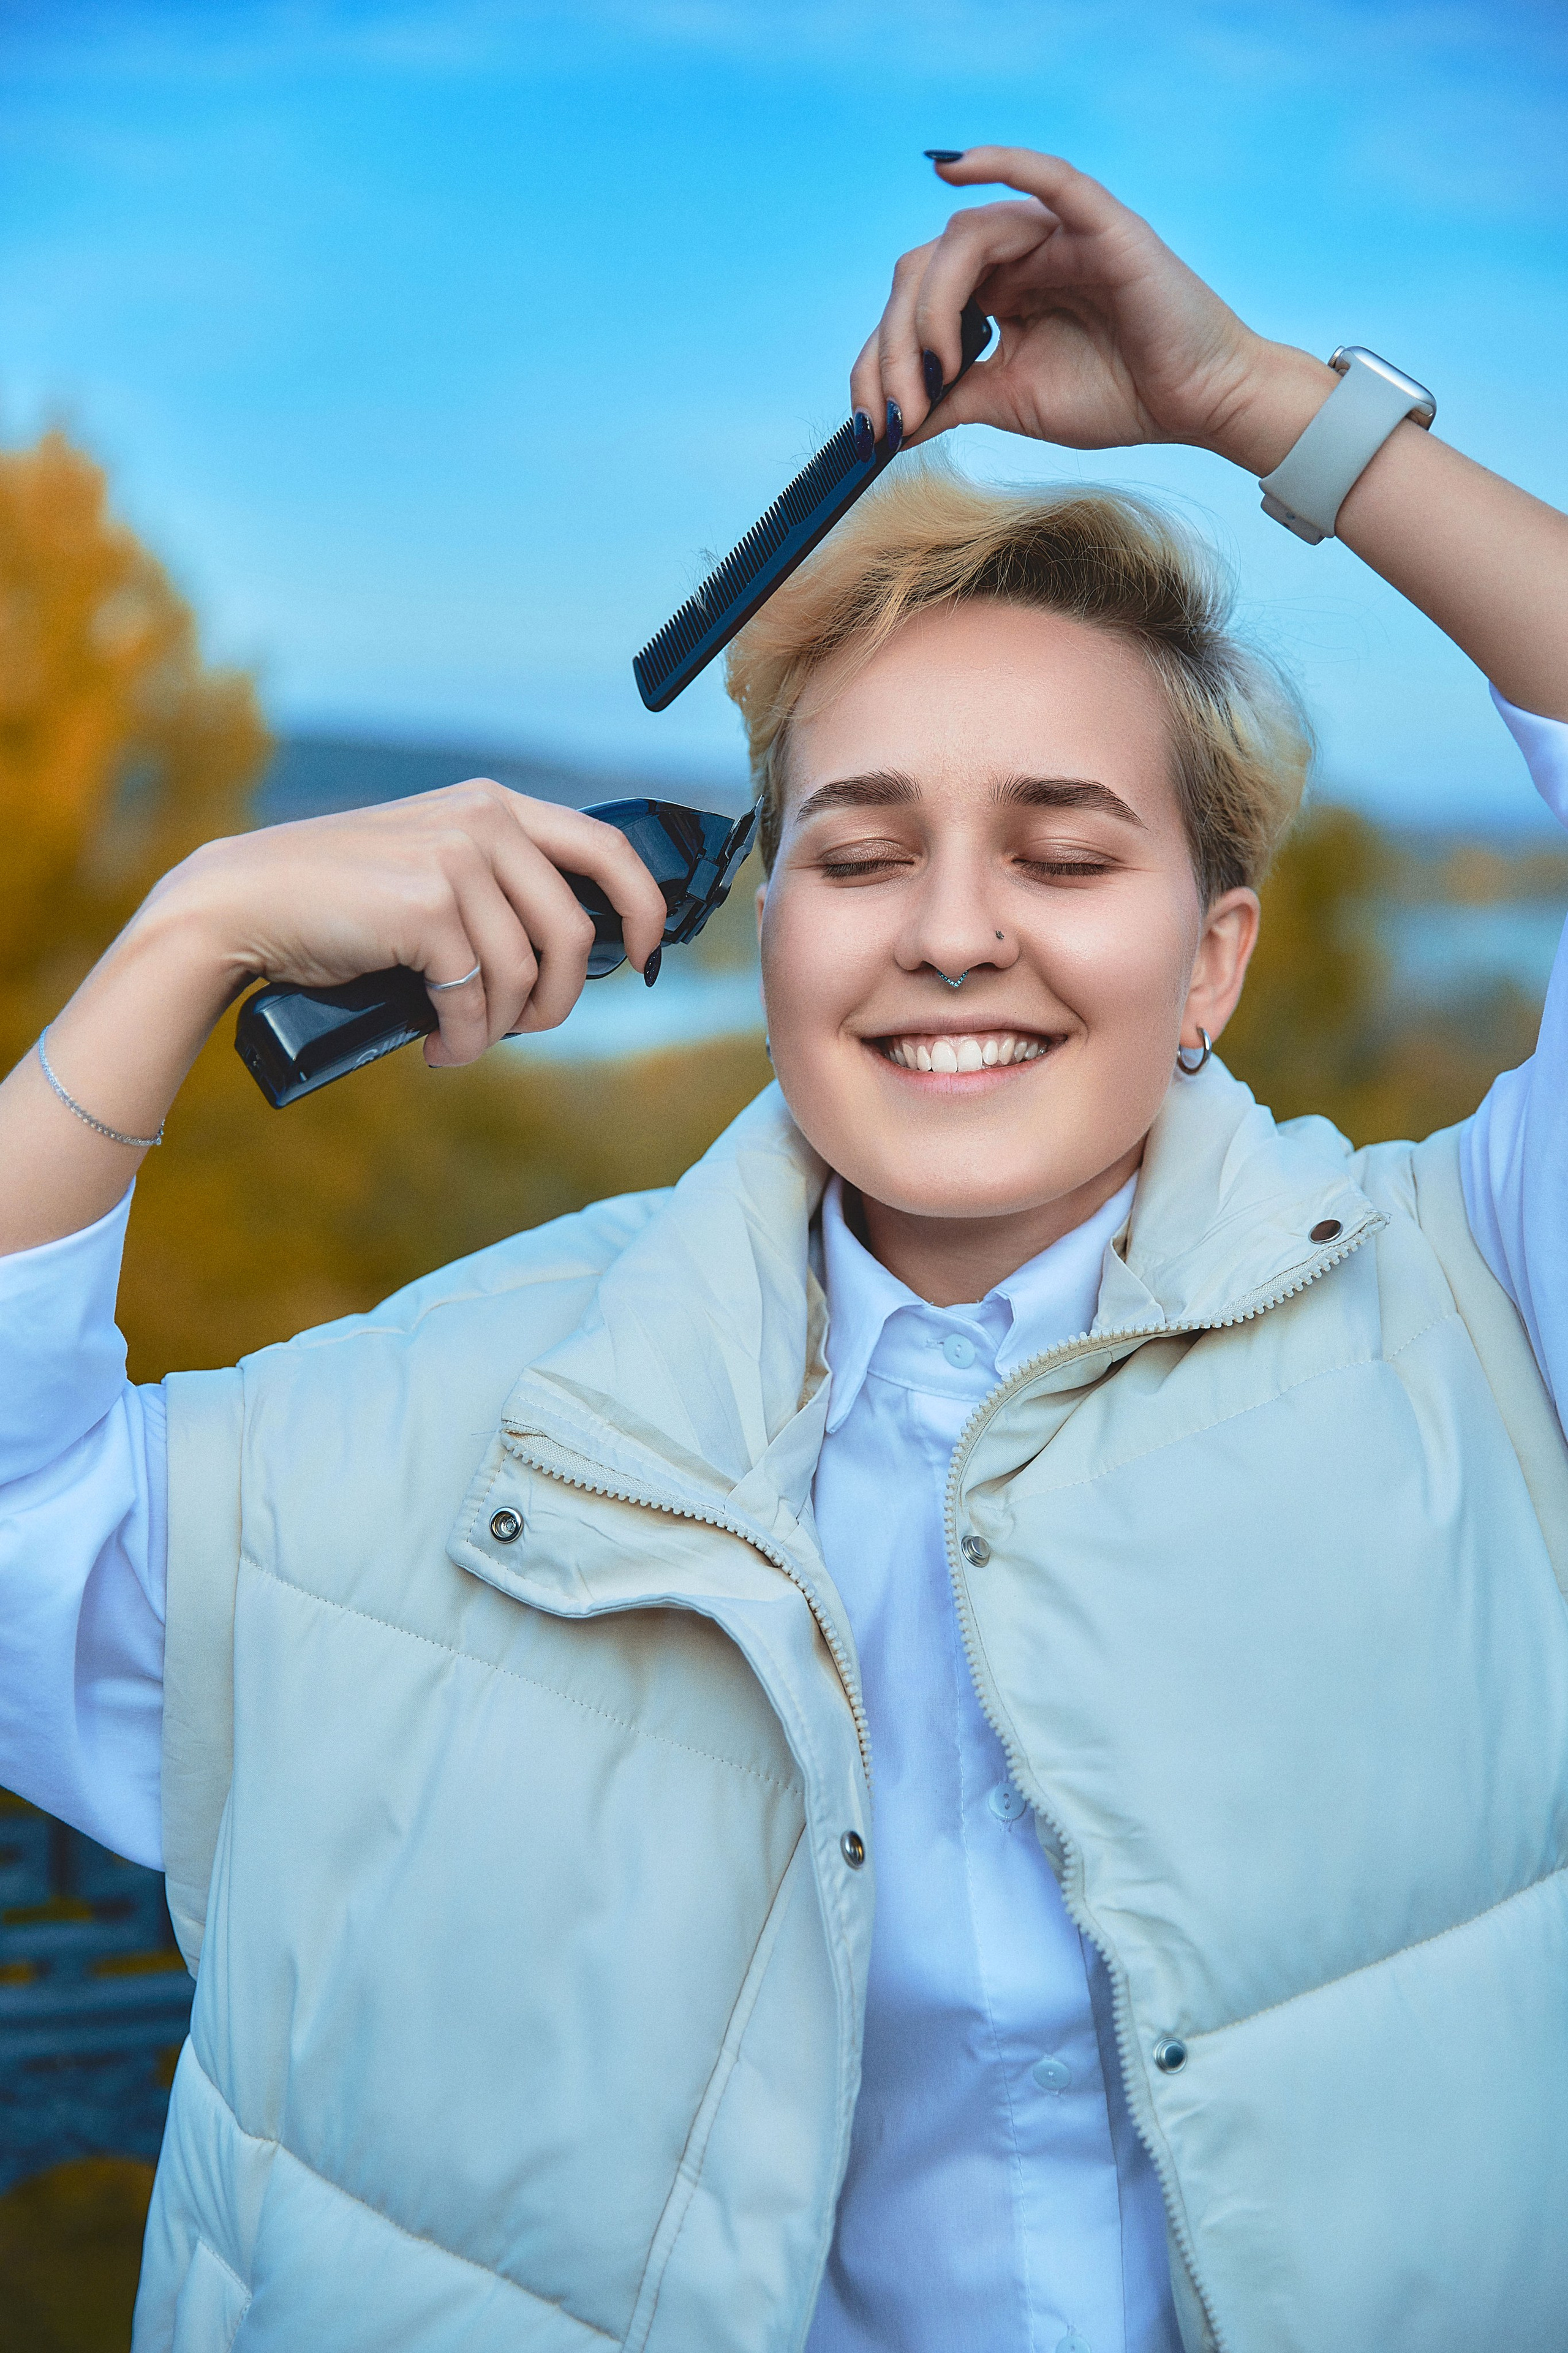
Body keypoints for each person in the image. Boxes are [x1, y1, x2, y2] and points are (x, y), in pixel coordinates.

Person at [2, 146, 1567, 2353]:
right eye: (860, 851)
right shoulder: (441, 1423)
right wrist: (188, 940)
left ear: (1212, 959)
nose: (950, 931)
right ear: (767, 936)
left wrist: (1253, 403)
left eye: (1064, 846)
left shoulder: (1481, 1308)